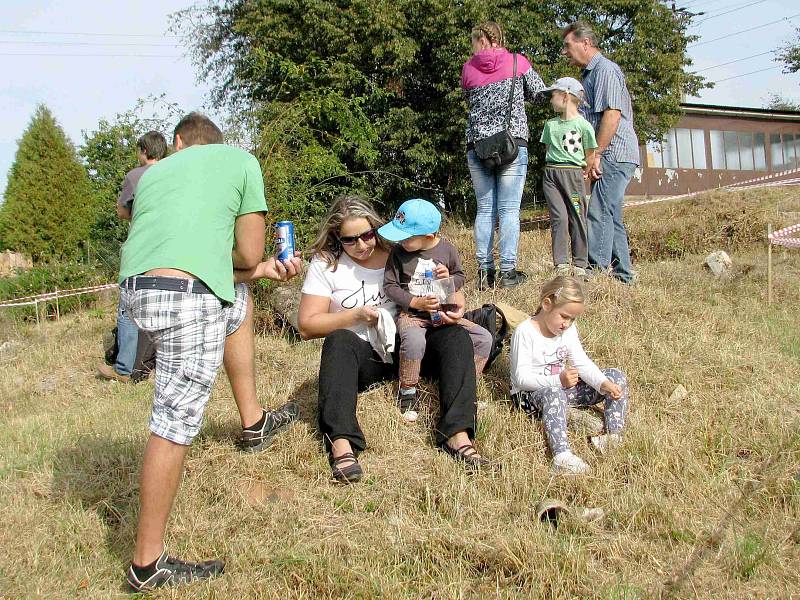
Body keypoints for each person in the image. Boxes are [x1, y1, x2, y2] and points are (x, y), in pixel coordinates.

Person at [119, 112, 303, 592]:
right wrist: (259, 263)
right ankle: (147, 563)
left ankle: (253, 421)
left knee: (236, 303)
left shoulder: (154, 172)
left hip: (138, 290)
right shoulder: (241, 162)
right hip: (185, 297)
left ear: (181, 143)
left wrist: (258, 273)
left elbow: (218, 267)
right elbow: (245, 253)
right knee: (174, 419)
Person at [298, 195, 494, 484]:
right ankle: (342, 443)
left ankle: (458, 435)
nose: (362, 245)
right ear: (336, 237)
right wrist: (355, 317)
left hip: (412, 343)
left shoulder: (400, 248)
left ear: (376, 228)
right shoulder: (326, 264)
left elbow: (447, 274)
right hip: (365, 352)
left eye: (367, 235)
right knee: (338, 342)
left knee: (455, 337)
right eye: (350, 240)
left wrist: (457, 299)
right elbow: (306, 325)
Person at [379, 198, 493, 423]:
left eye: (406, 237)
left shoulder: (447, 249)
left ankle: (466, 385)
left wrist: (449, 278)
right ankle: (408, 390)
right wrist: (414, 302)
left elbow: (460, 276)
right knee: (413, 341)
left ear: (429, 236)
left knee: (484, 339)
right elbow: (390, 287)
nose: (401, 242)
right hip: (413, 315)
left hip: (443, 314)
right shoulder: (398, 254)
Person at [509, 276, 629, 474]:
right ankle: (561, 457)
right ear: (546, 304)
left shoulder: (568, 331)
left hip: (562, 388)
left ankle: (612, 436)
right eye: (564, 316)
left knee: (615, 377)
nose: (567, 323)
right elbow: (520, 379)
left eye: (572, 319)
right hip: (529, 397)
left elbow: (581, 362)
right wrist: (558, 380)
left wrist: (603, 383)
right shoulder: (525, 332)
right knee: (553, 393)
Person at [462, 20, 545, 290]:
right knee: (509, 209)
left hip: (478, 147)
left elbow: (469, 99)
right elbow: (539, 93)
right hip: (512, 143)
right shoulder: (517, 62)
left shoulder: (468, 68)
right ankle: (507, 272)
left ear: (480, 40)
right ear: (500, 38)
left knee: (485, 209)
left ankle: (485, 274)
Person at [561, 21, 640, 284]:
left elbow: (612, 114)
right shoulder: (589, 76)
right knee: (611, 214)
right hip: (610, 152)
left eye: (568, 45)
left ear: (586, 43)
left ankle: (594, 273)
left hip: (615, 152)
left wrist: (597, 153)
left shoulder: (605, 70)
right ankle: (624, 276)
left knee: (598, 210)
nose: (565, 52)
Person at [97, 131, 167, 383]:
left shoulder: (135, 176)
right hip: (170, 249)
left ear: (144, 151)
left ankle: (124, 368)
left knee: (128, 307)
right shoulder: (174, 173)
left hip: (141, 249)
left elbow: (122, 212)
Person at [539, 77, 598, 279]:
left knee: (577, 216)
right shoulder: (550, 125)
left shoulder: (584, 126)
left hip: (573, 176)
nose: (550, 100)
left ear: (565, 96)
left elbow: (590, 155)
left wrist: (583, 172)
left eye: (552, 96)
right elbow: (548, 149)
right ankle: (561, 263)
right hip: (552, 176)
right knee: (559, 218)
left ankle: (580, 263)